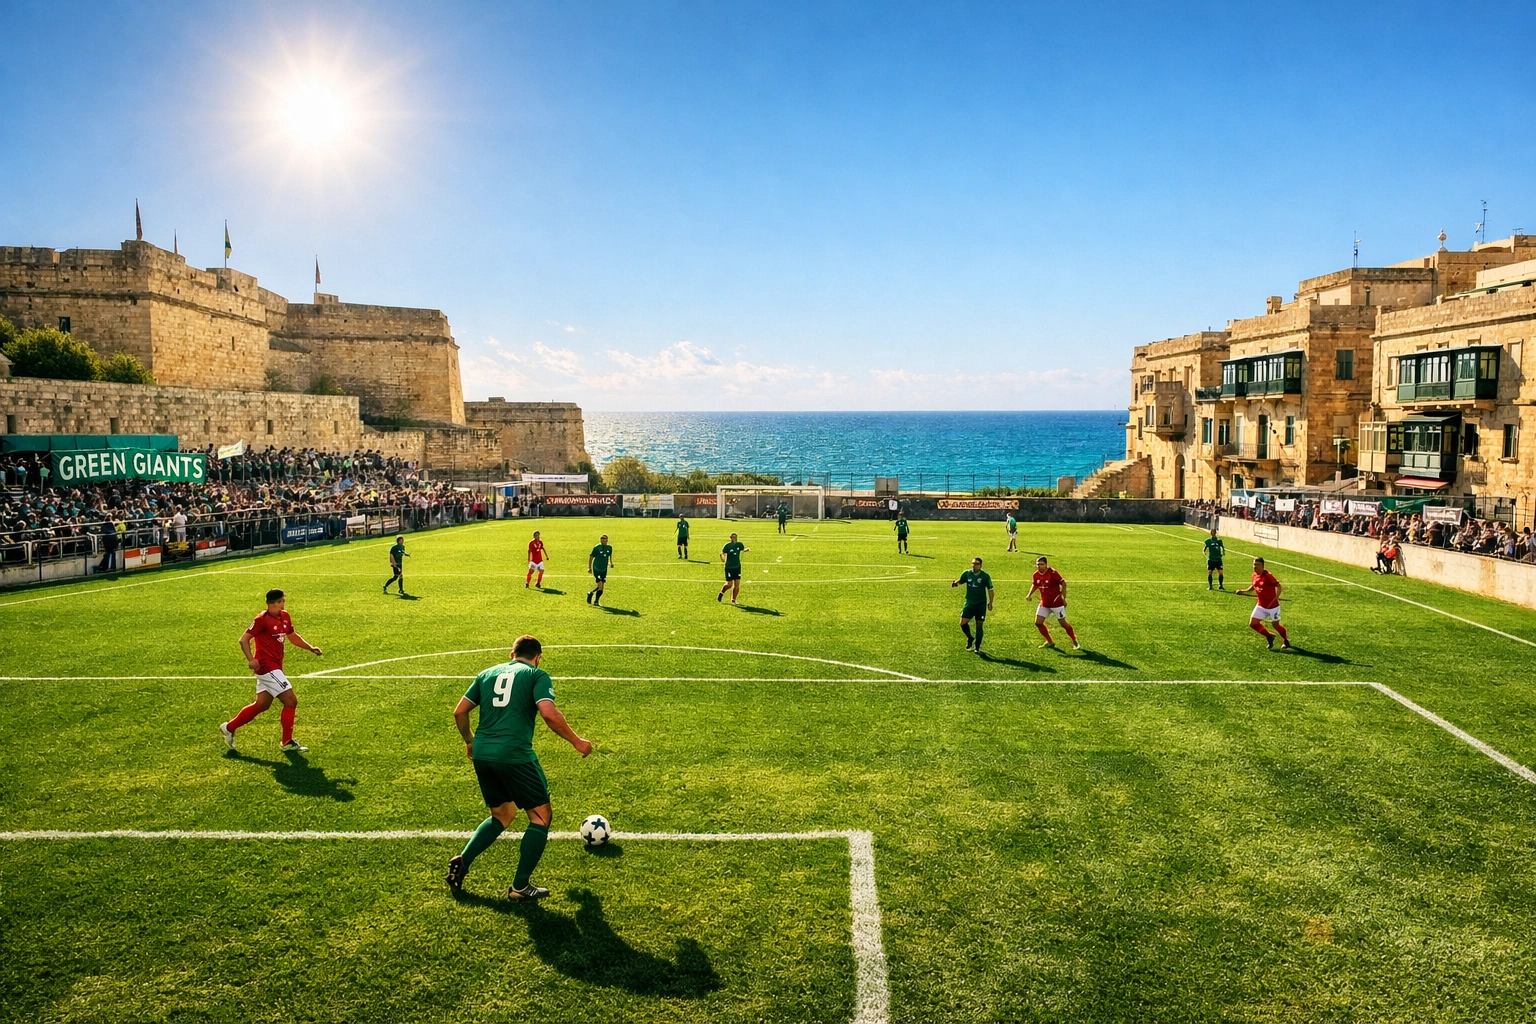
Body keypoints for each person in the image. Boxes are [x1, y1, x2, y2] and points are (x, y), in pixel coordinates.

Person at [446, 635, 592, 900]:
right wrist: (577, 741)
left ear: (512, 654)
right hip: (513, 754)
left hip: (482, 754)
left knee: (502, 814)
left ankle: (463, 861)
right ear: (537, 657)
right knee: (540, 816)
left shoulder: (486, 674)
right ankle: (520, 887)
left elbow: (459, 712)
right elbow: (548, 713)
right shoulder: (536, 674)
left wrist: (469, 742)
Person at [219, 588, 324, 752]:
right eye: (282, 601)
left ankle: (229, 727)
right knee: (291, 701)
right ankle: (287, 742)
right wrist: (251, 660)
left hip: (276, 665)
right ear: (273, 603)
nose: (283, 603)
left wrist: (310, 648)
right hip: (266, 666)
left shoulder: (285, 616)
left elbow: (292, 636)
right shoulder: (261, 619)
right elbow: (243, 640)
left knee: (262, 704)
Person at [1236, 557, 1290, 650]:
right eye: (1254, 564)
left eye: (1258, 565)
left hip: (1273, 607)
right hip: (1261, 606)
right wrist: (1243, 591)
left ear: (1262, 566)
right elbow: (1254, 586)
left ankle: (1285, 641)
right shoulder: (1254, 575)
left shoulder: (1268, 576)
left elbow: (1278, 586)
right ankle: (1269, 636)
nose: (1255, 567)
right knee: (1253, 624)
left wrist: (1276, 598)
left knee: (1275, 625)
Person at [1027, 555, 1079, 649]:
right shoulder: (1036, 575)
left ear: (1046, 565)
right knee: (1038, 623)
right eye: (1038, 565)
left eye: (1041, 564)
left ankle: (1074, 639)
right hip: (1045, 604)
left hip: (1056, 604)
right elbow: (1035, 584)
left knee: (1063, 623)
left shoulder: (1053, 573)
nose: (1039, 566)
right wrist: (1029, 594)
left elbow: (1063, 583)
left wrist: (1063, 598)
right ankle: (1050, 642)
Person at [951, 556, 994, 654]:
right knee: (962, 623)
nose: (974, 566)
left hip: (980, 605)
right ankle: (970, 638)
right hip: (969, 603)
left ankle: (977, 648)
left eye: (977, 564)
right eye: (973, 564)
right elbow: (960, 581)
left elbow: (991, 590)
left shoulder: (985, 576)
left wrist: (990, 603)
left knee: (979, 625)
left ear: (980, 565)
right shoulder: (967, 574)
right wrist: (955, 584)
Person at [718, 532, 749, 604]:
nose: (735, 538)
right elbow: (723, 553)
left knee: (737, 584)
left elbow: (742, 549)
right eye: (733, 537)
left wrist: (746, 550)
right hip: (729, 567)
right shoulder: (727, 546)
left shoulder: (739, 544)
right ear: (730, 538)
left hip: (737, 566)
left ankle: (733, 599)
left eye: (736, 537)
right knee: (729, 584)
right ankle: (722, 592)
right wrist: (722, 558)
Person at [587, 534, 614, 605]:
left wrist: (611, 563)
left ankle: (593, 596)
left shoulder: (609, 548)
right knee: (600, 584)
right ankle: (595, 601)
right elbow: (591, 557)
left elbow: (609, 556)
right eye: (602, 540)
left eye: (605, 540)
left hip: (604, 569)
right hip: (597, 568)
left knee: (601, 588)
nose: (603, 541)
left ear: (607, 540)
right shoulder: (597, 548)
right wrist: (590, 568)